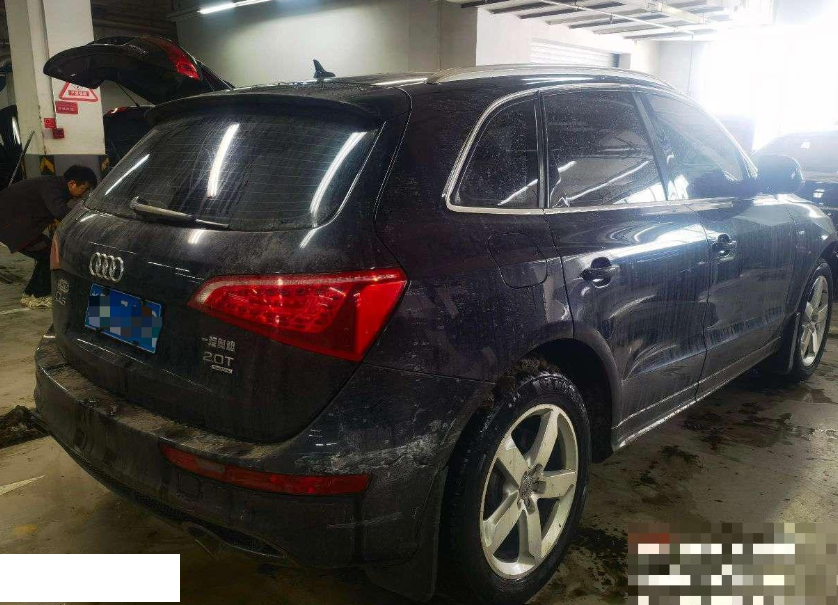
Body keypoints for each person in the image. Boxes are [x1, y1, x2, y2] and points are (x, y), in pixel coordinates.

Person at [0, 165, 97, 309]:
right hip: (12, 226)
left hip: (15, 225)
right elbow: (59, 211)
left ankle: (29, 295)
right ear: (72, 183)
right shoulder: (52, 187)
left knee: (45, 255)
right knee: (50, 256)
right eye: (85, 189)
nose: (84, 194)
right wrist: (86, 221)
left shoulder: (54, 185)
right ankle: (39, 296)